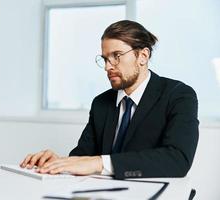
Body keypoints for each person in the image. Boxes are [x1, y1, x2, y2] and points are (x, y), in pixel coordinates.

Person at [20, 20, 199, 179]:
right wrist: (60, 162)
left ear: (143, 56)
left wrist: (99, 163)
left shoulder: (179, 95)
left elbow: (178, 159)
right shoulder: (101, 103)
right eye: (105, 59)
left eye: (116, 56)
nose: (108, 67)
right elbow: (84, 156)